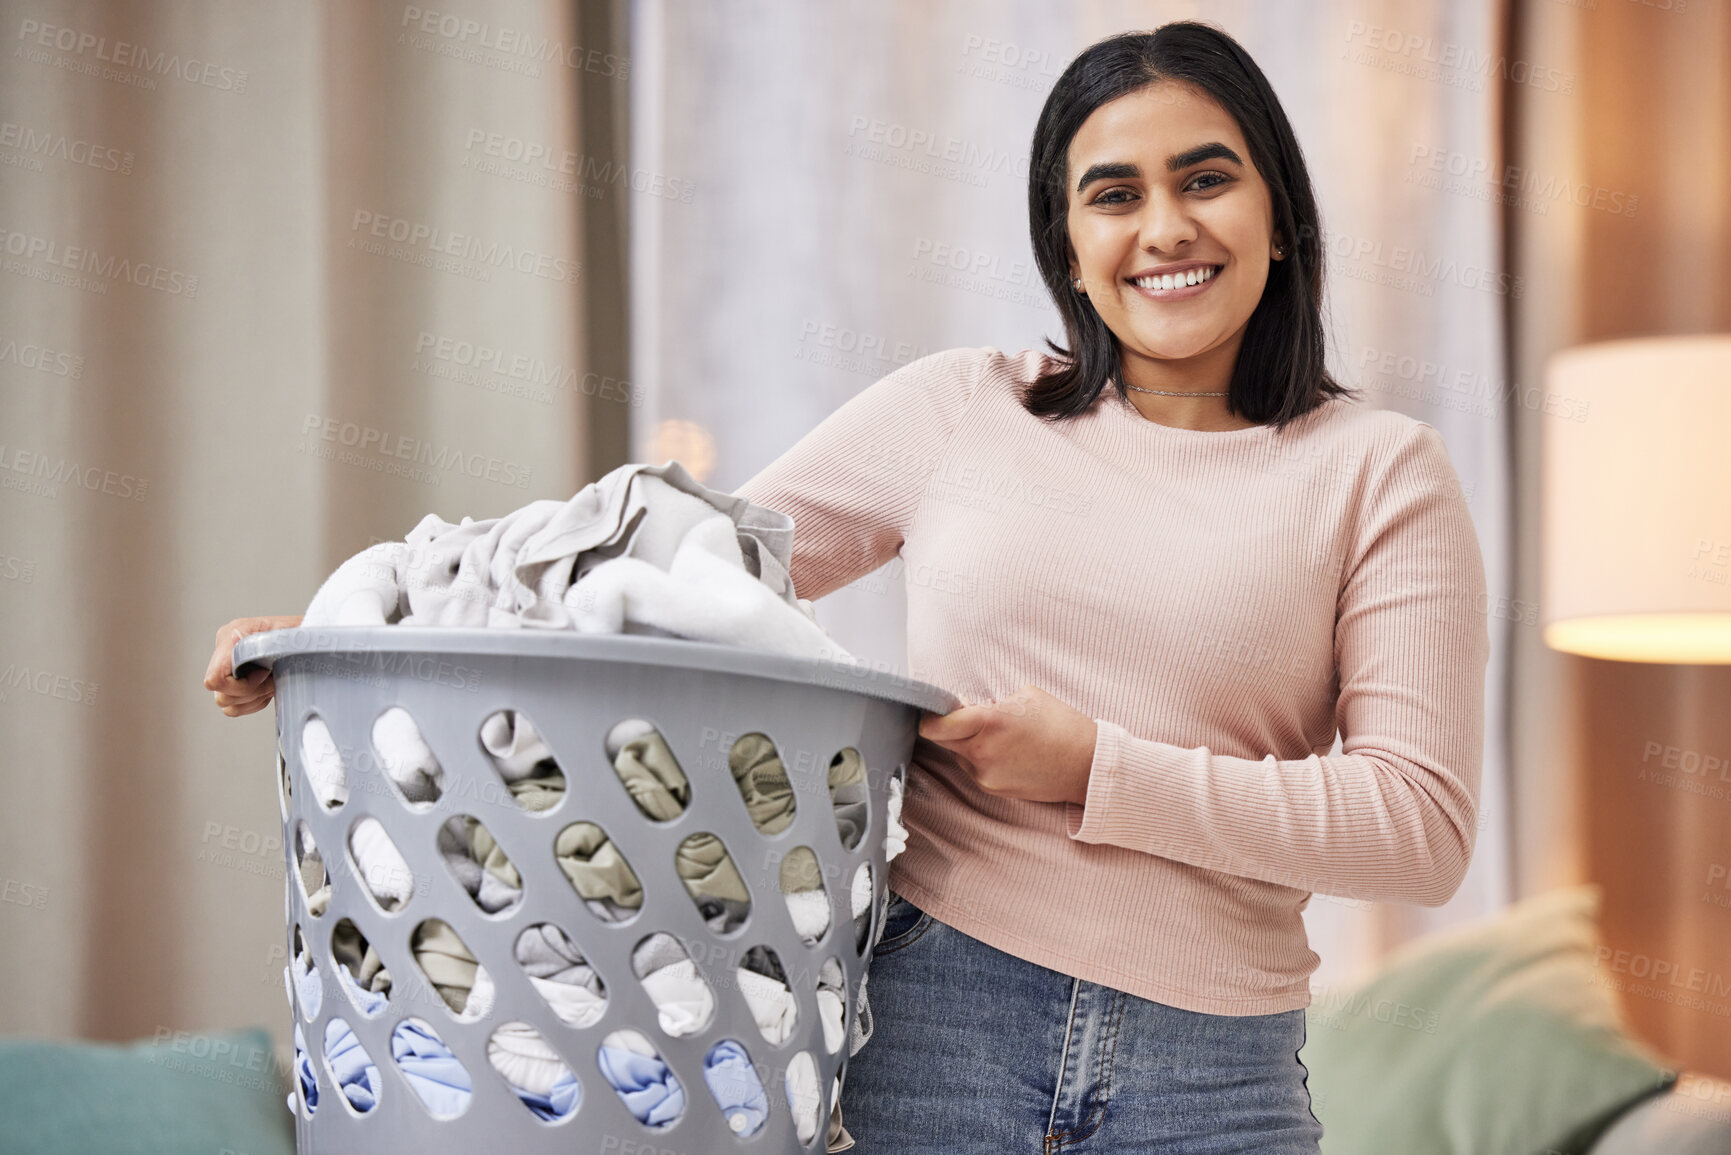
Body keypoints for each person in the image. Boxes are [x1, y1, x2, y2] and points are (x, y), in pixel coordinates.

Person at [205, 21, 1489, 1153]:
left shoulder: (1381, 475)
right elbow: (656, 567)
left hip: (1219, 1073)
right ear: (1067, 241)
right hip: (929, 1024)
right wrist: (357, 625)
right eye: (1114, 194)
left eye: (1206, 179)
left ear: (1279, 210)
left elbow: (1417, 827)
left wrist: (1100, 768)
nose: (1164, 227)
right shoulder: (960, 411)